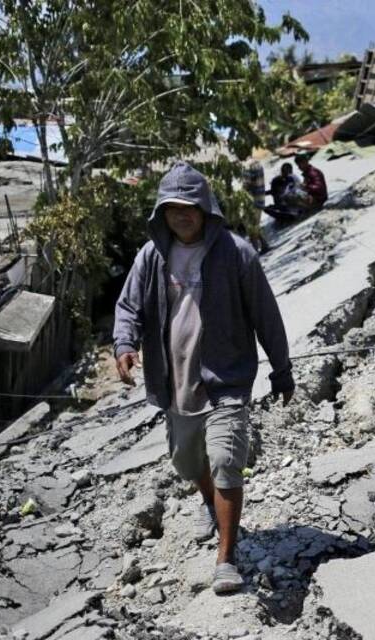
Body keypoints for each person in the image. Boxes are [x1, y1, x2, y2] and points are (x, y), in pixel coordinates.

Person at [112, 162, 294, 595]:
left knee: (226, 459)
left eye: (190, 207)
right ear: (162, 213)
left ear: (206, 208)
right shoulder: (151, 257)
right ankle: (211, 507)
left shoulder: (236, 253)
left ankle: (226, 559)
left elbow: (266, 316)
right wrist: (124, 345)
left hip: (226, 380)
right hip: (174, 382)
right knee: (189, 462)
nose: (182, 216)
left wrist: (281, 368)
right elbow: (128, 308)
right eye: (173, 208)